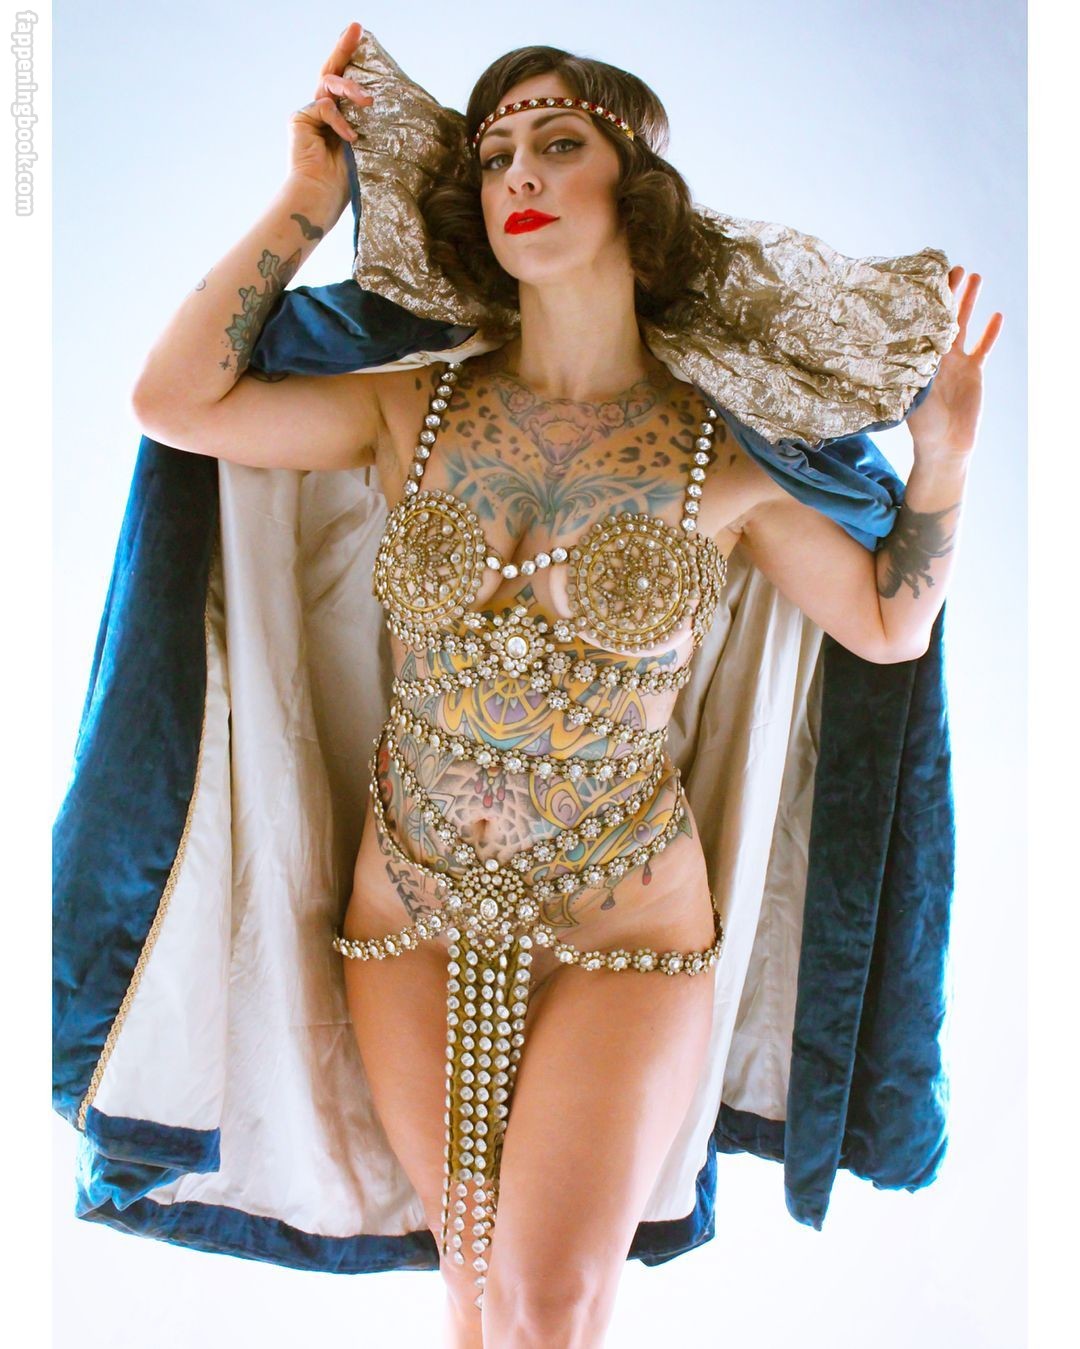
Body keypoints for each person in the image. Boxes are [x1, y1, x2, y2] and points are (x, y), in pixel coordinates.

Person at [96, 21, 999, 1349]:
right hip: (407, 914)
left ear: (638, 191)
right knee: (474, 1301)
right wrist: (307, 201)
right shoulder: (408, 408)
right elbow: (176, 402)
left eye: (559, 142)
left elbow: (886, 626)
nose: (518, 170)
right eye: (494, 153)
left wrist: (946, 459)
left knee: (551, 1305)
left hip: (622, 925)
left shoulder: (724, 454)